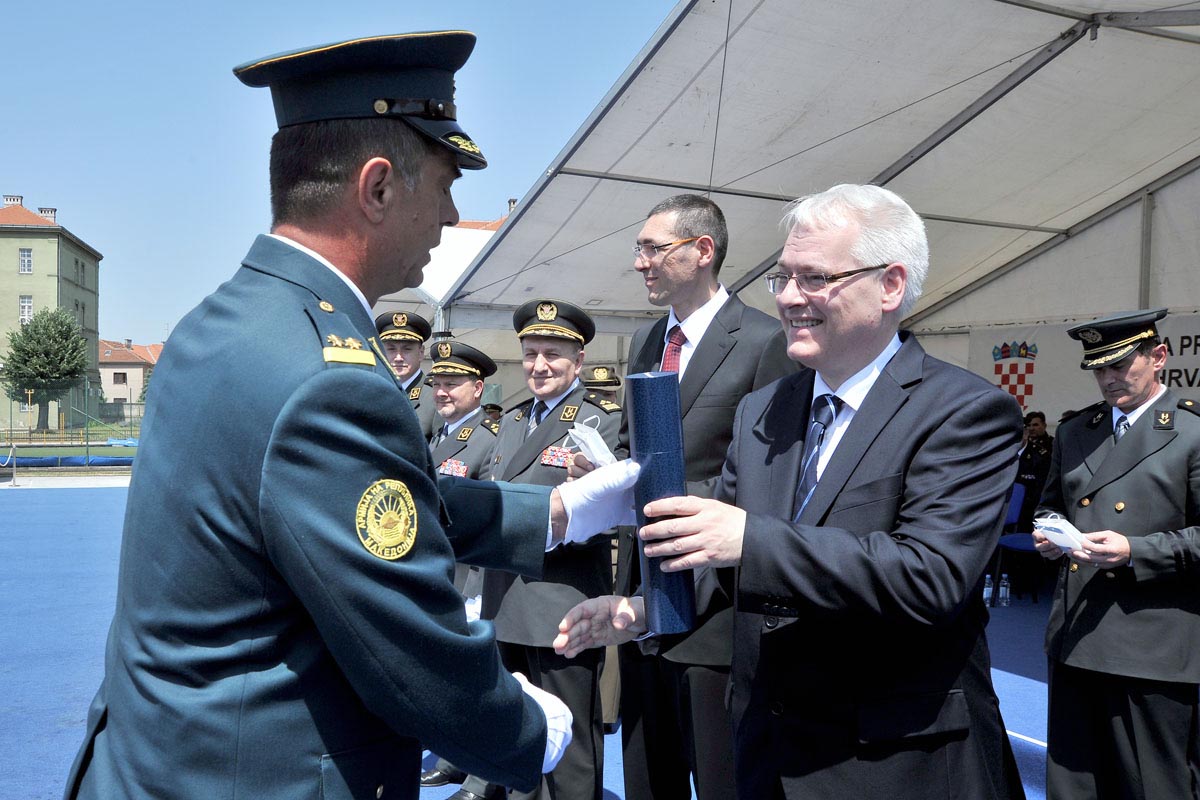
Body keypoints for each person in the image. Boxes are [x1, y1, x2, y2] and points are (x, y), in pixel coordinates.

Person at [62, 32, 613, 800]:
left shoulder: (223, 322)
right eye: (445, 184)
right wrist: (526, 728)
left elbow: (343, 500)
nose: (452, 215)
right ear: (378, 187)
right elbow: (411, 651)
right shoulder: (328, 376)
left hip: (167, 761)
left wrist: (551, 514)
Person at [557, 184, 1025, 800]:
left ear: (890, 285)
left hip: (892, 761)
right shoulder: (764, 409)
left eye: (815, 278)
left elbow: (930, 575)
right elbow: (718, 555)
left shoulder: (964, 411)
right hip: (767, 750)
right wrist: (645, 611)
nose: (787, 297)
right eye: (783, 277)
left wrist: (749, 539)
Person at [605, 193, 796, 800]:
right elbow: (635, 446)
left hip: (714, 606)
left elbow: (769, 477)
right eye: (638, 248)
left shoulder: (764, 340)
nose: (640, 262)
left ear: (702, 250)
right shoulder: (646, 340)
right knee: (647, 775)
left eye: (653, 248)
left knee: (720, 779)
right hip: (643, 593)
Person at [450, 299, 623, 800]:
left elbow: (612, 513)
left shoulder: (599, 419)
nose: (539, 365)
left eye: (552, 353)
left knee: (570, 754)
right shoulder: (511, 420)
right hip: (504, 602)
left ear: (579, 360)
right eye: (530, 353)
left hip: (560, 605)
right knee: (519, 741)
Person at [1032, 308, 1200, 799]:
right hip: (1077, 633)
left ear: (1159, 357)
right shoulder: (1076, 431)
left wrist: (1136, 551)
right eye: (1099, 369)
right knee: (1075, 783)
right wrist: (1050, 534)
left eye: (1121, 365)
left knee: (1153, 785)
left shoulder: (1191, 431)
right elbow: (1049, 506)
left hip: (1152, 645)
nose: (1108, 379)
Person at [376, 310, 438, 439]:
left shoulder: (436, 397)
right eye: (391, 349)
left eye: (407, 349)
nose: (398, 358)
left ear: (421, 353)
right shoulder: (372, 392)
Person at [1014, 411, 1054, 532]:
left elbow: (1042, 492)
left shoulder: (1040, 457)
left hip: (1028, 513)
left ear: (1025, 434)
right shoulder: (999, 454)